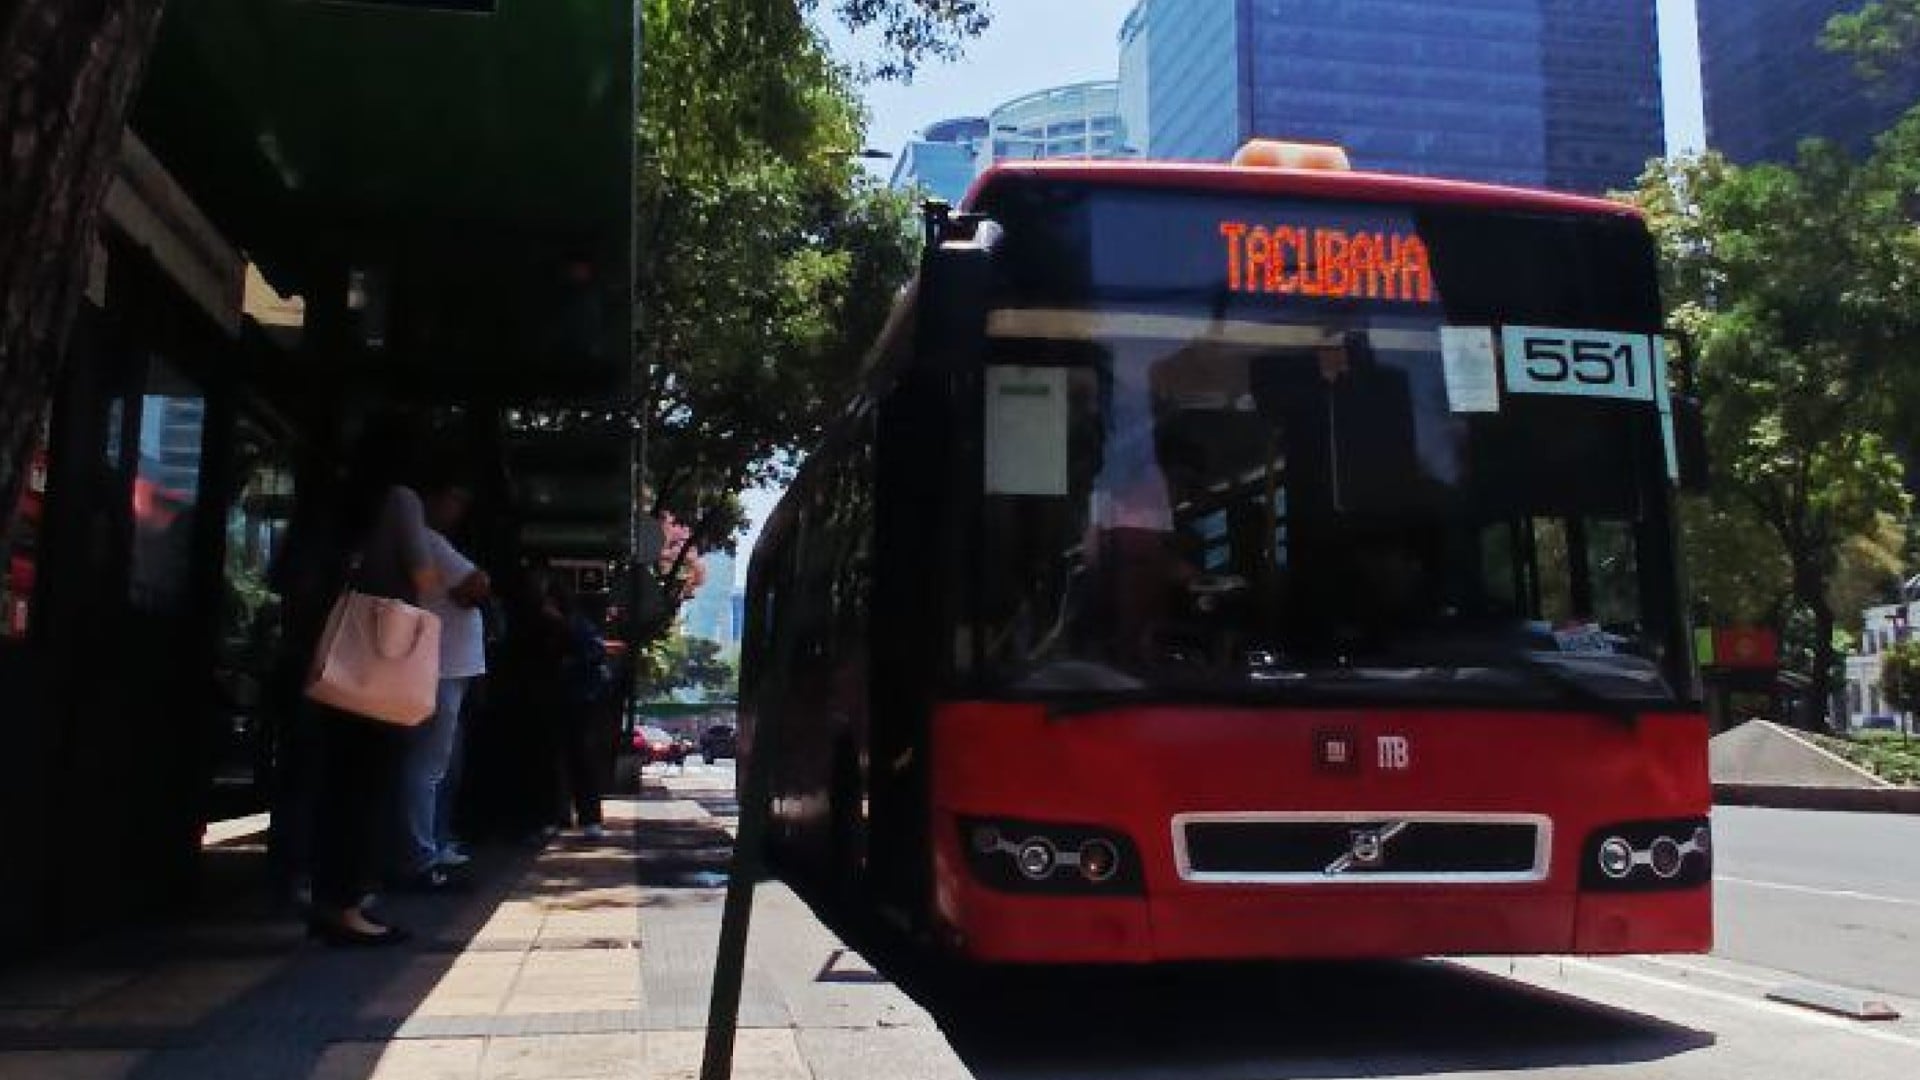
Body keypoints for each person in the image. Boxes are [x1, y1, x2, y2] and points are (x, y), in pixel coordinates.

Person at [304, 412, 443, 947]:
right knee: (368, 783)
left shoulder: (338, 496)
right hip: (381, 658)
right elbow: (424, 574)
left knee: (336, 783)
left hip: (337, 653)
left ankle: (325, 896)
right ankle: (347, 906)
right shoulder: (401, 500)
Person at [394, 465, 489, 890]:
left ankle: (429, 843)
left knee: (438, 763)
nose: (458, 509)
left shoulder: (428, 539)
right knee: (427, 765)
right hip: (440, 665)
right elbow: (474, 584)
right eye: (454, 499)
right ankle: (418, 854)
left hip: (443, 664)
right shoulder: (428, 539)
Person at [552, 579, 612, 837]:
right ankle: (579, 817)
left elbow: (591, 654)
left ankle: (583, 818)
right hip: (579, 699)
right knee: (577, 759)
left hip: (576, 700)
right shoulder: (577, 625)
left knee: (577, 758)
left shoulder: (572, 626)